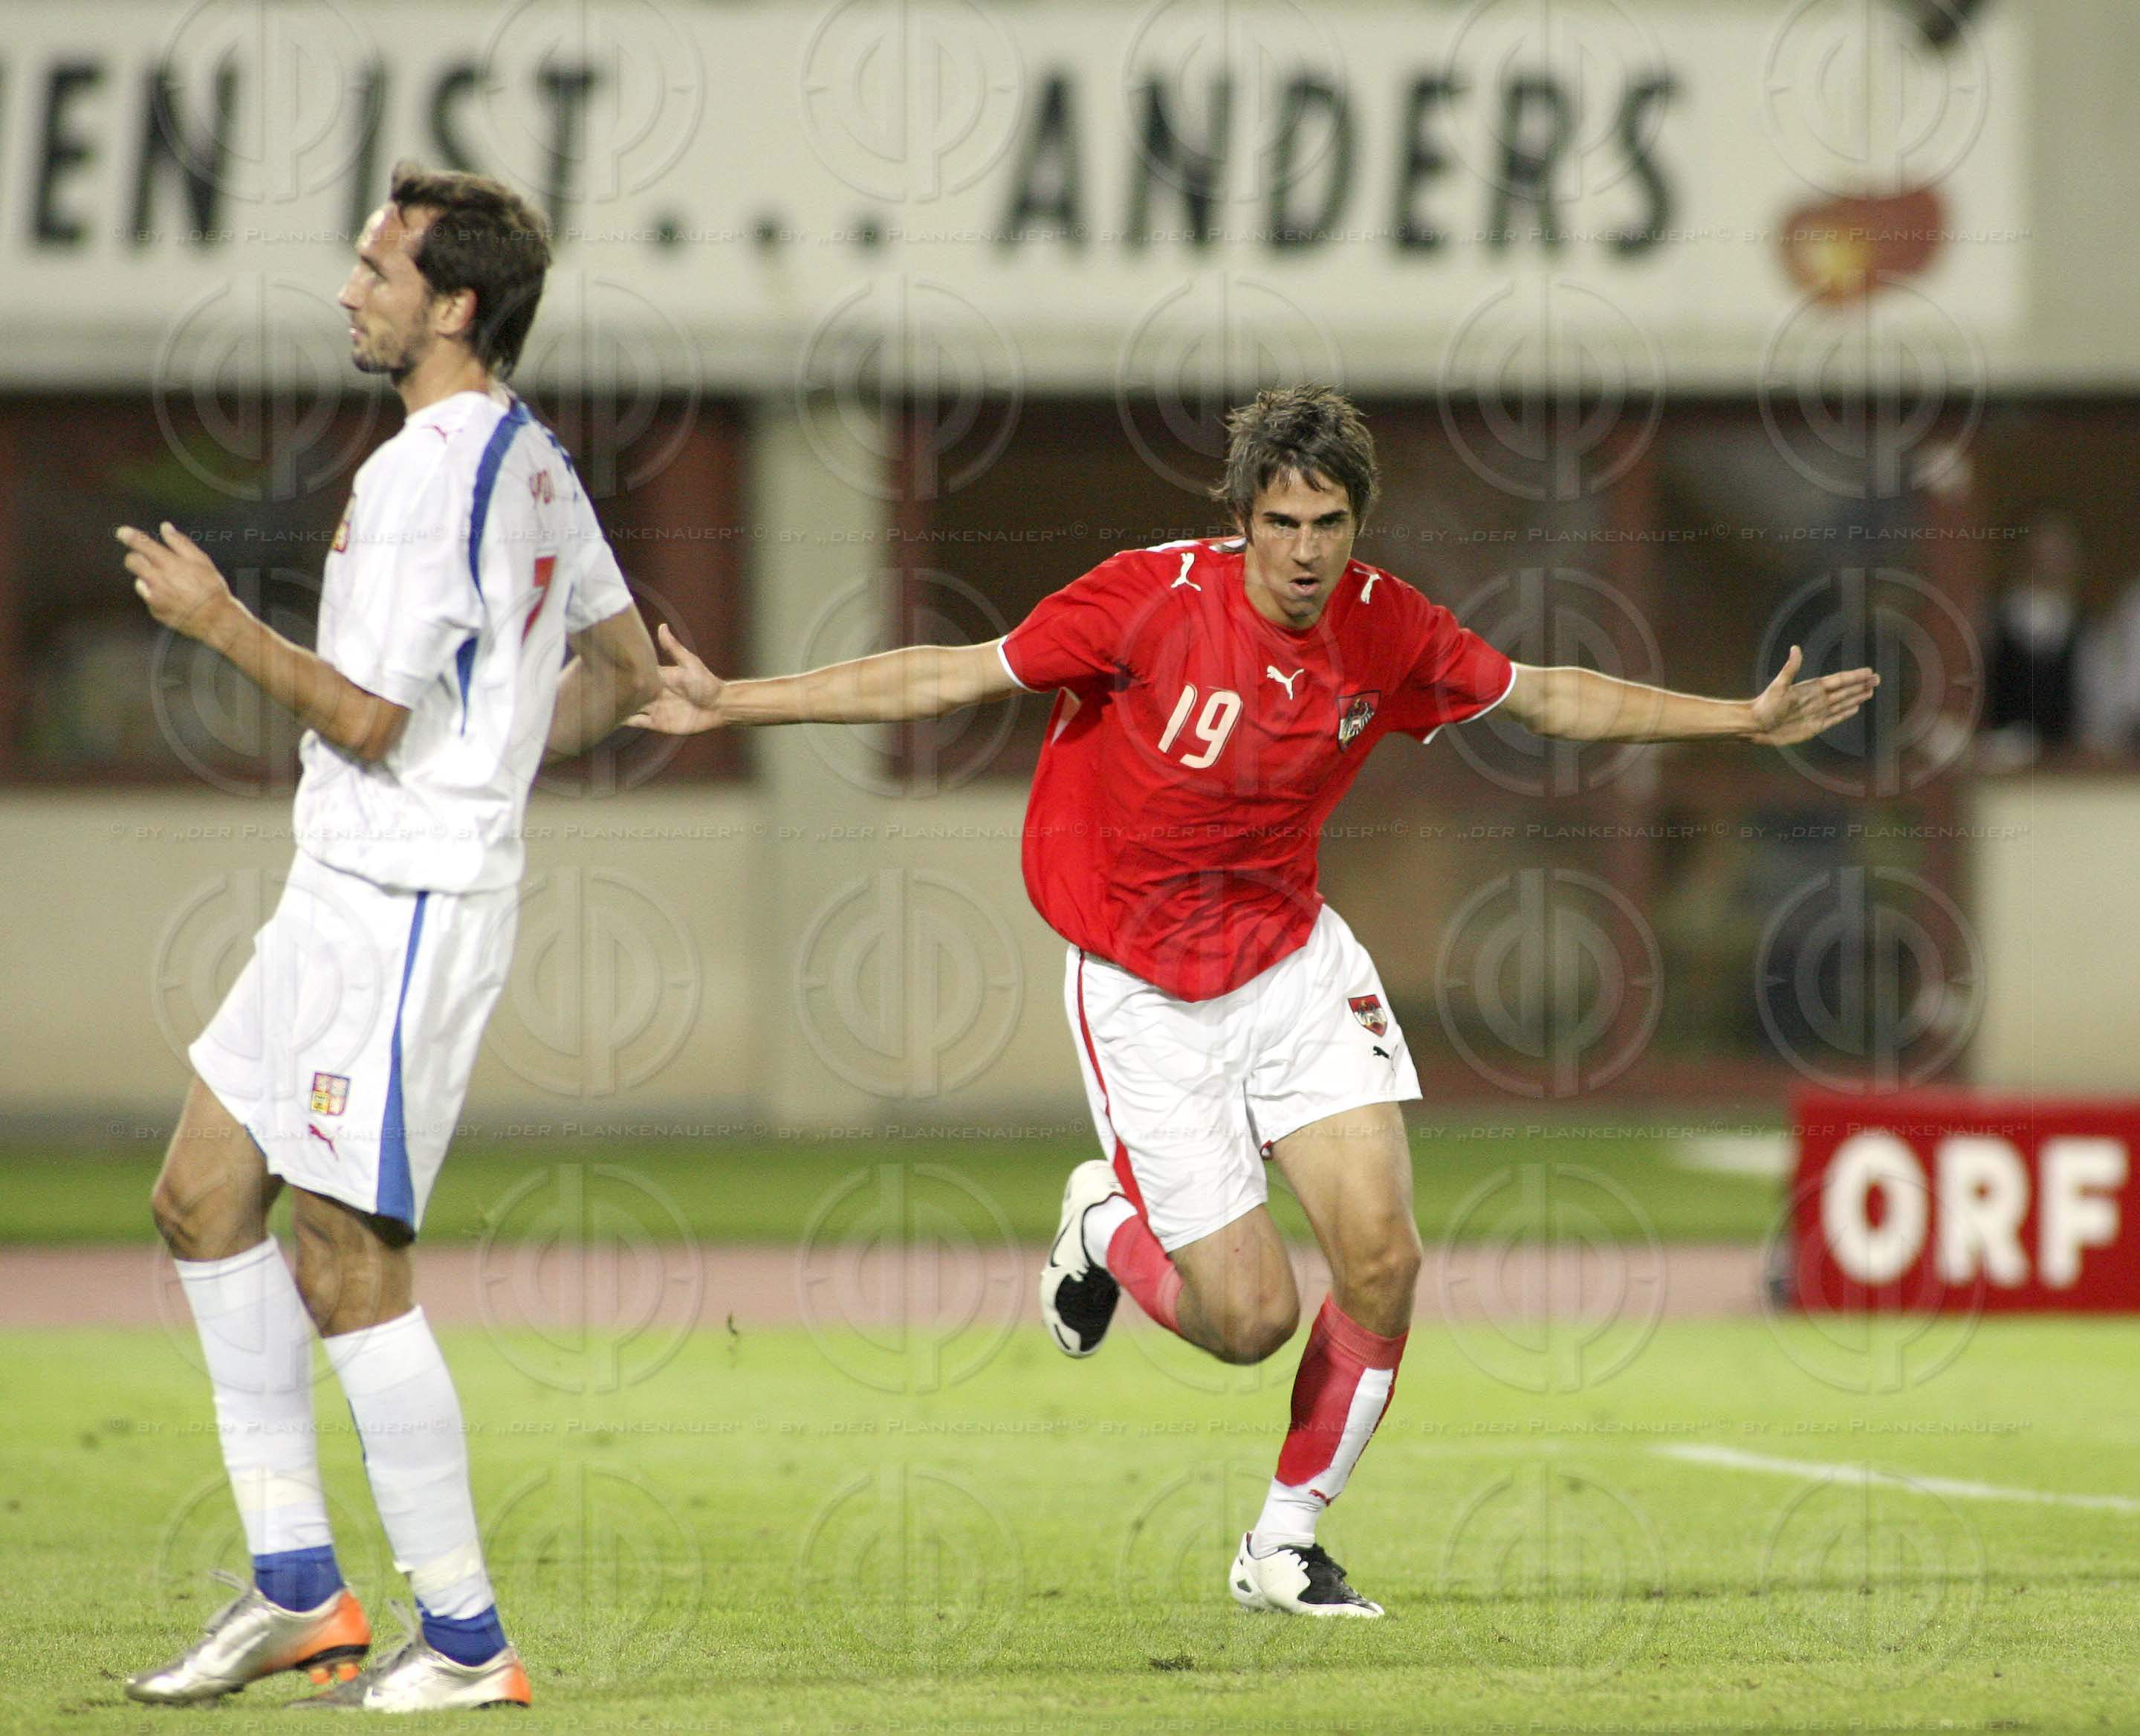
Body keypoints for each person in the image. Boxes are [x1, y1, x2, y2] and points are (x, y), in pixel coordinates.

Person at [633, 384, 1877, 1617]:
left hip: (1291, 966)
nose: (1304, 552)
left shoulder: (1385, 626)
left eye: (1328, 524)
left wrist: (1741, 721)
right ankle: (1102, 1223)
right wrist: (732, 699)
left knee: (1383, 1257)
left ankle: (1284, 1542)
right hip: (1144, 994)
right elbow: (952, 675)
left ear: (1357, 525)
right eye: (1280, 523)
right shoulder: (1146, 600)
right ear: (1241, 521)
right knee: (1249, 1321)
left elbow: (1546, 694)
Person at [116, 162, 658, 1709]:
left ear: (455, 304)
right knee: (201, 1198)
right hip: (346, 887)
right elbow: (629, 669)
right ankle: (299, 1589)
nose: (352, 290)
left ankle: (468, 1640)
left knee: (350, 1260)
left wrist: (217, 620)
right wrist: (492, 763)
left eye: (379, 267)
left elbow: (366, 718)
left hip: (404, 908)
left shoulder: (433, 475)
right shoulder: (531, 457)